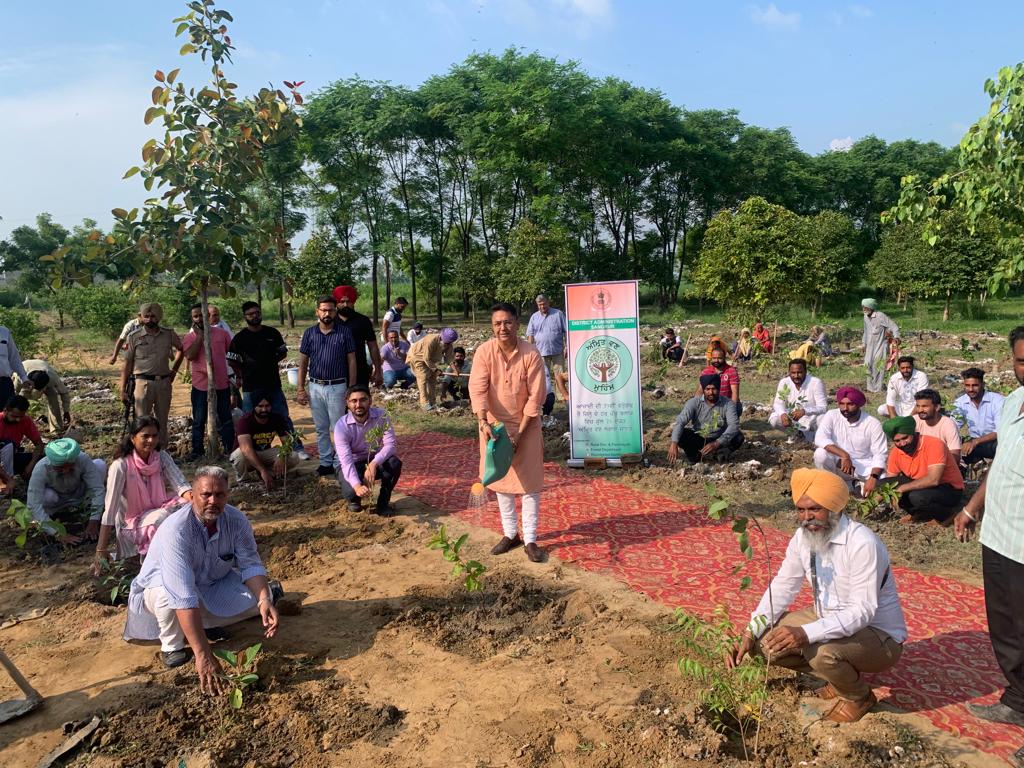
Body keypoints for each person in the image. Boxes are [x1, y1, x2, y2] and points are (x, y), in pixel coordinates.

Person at [727, 468, 907, 723]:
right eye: (801, 510)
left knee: (819, 650)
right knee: (764, 642)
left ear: (834, 508)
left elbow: (862, 611)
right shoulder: (803, 538)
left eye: (815, 509)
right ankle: (839, 678)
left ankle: (858, 696)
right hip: (827, 616)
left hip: (878, 635)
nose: (807, 517)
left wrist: (805, 633)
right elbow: (783, 586)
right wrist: (749, 631)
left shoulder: (863, 544)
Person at [123, 466, 281, 674]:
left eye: (219, 495)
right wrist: (203, 653)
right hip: (166, 590)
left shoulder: (236, 520)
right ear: (193, 495)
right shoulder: (176, 531)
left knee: (263, 595)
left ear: (227, 495)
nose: (213, 501)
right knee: (166, 598)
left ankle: (205, 624)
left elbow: (250, 564)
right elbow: (182, 596)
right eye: (206, 494)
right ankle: (172, 646)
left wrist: (264, 599)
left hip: (211, 585)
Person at [954, 326, 1024, 731]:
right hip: (998, 534)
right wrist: (971, 508)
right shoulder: (1014, 402)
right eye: (1021, 359)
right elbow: (1000, 464)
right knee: (1006, 625)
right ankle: (1017, 700)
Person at [470, 302, 547, 563]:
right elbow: (478, 390)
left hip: (527, 425)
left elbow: (536, 398)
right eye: (497, 323)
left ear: (517, 323)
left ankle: (531, 539)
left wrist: (520, 433)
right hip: (493, 428)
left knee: (530, 485)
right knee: (500, 480)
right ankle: (510, 533)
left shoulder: (531, 354)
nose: (503, 328)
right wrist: (483, 422)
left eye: (508, 322)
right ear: (492, 327)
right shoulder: (483, 352)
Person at [95, 416, 191, 570]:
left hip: (159, 508)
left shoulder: (161, 457)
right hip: (132, 524)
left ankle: (187, 554)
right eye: (145, 436)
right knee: (161, 519)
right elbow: (110, 510)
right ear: (133, 438)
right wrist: (101, 549)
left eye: (154, 436)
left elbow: (181, 484)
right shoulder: (120, 466)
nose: (151, 441)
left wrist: (196, 501)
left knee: (189, 508)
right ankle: (156, 565)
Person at [227, 301, 305, 458]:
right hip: (251, 387)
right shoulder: (239, 339)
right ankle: (254, 452)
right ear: (245, 317)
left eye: (257, 313)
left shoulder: (272, 333)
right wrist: (241, 376)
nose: (255, 316)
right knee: (250, 420)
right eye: (250, 314)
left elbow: (282, 353)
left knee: (282, 416)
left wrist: (267, 363)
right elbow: (232, 361)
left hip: (273, 384)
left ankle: (296, 448)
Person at [296, 296, 357, 476]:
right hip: (315, 386)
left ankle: (340, 462)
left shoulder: (344, 332)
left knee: (338, 427)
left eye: (330, 310)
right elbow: (303, 361)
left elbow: (351, 360)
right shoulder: (309, 333)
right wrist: (300, 388)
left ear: (335, 311)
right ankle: (325, 462)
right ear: (317, 312)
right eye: (323, 310)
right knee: (321, 427)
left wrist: (352, 388)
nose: (327, 313)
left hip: (338, 386)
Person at [173, 304, 235, 459]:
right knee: (199, 420)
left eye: (202, 315)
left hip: (221, 383)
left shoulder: (222, 334)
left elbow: (231, 354)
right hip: (200, 386)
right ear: (192, 319)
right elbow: (190, 356)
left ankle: (230, 449)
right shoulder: (189, 338)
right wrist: (200, 337)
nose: (199, 318)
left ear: (209, 316)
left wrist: (235, 378)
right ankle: (197, 451)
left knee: (226, 418)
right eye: (195, 316)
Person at [120, 303, 182, 446]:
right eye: (146, 316)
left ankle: (162, 455)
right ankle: (142, 453)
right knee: (141, 422)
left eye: (153, 316)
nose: (149, 319)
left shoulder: (168, 334)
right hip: (142, 383)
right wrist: (122, 389)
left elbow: (181, 349)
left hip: (163, 383)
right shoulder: (134, 337)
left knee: (162, 421)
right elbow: (127, 364)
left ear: (159, 317)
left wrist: (173, 371)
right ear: (141, 318)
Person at [333, 386, 402, 516]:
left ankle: (383, 504)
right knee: (351, 492)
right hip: (350, 463)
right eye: (354, 401)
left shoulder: (382, 416)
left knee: (394, 463)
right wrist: (357, 486)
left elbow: (391, 445)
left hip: (372, 458)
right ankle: (354, 500)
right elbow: (346, 461)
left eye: (362, 400)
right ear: (347, 403)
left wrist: (373, 464)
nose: (358, 404)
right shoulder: (341, 426)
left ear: (370, 400)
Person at [881, 416, 964, 524]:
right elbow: (890, 481)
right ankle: (920, 513)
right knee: (882, 484)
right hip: (922, 485)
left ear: (913, 433)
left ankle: (947, 515)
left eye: (905, 438)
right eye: (897, 441)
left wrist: (902, 489)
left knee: (917, 496)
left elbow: (934, 480)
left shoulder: (934, 444)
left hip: (948, 489)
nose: (902, 443)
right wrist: (878, 498)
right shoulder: (896, 452)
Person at [27, 438, 106, 545]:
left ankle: (88, 507)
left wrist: (94, 521)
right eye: (60, 468)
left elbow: (97, 489)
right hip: (57, 500)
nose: (65, 471)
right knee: (47, 496)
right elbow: (33, 505)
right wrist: (57, 533)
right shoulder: (41, 468)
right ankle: (53, 516)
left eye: (70, 467)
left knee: (99, 465)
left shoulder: (82, 459)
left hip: (80, 495)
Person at [814, 386, 888, 496]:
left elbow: (880, 454)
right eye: (841, 404)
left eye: (850, 404)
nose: (845, 408)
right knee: (820, 454)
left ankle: (852, 485)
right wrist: (844, 455)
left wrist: (873, 477)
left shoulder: (873, 423)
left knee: (882, 480)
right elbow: (820, 438)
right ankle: (832, 485)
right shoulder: (832, 415)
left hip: (863, 467)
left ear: (858, 405)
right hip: (839, 464)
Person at [230, 390, 300, 490]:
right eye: (260, 406)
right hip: (246, 457)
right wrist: (262, 470)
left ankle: (270, 475)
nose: (264, 409)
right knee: (239, 454)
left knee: (293, 456)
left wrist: (281, 457)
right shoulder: (245, 421)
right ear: (254, 406)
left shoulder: (277, 418)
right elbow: (246, 449)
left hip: (264, 453)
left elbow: (287, 442)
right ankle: (244, 481)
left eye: (267, 406)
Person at [668, 374, 745, 464]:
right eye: (707, 389)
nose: (711, 392)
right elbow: (681, 421)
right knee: (681, 435)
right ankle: (695, 456)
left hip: (719, 438)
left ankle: (721, 453)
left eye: (714, 389)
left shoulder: (728, 403)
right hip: (700, 437)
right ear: (703, 390)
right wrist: (674, 443)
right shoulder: (694, 402)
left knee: (738, 437)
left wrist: (717, 443)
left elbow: (734, 425)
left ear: (719, 389)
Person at [333, 284, 383, 388]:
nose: (346, 304)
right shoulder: (330, 322)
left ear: (353, 302)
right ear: (337, 303)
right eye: (342, 301)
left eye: (349, 301)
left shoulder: (363, 321)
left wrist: (378, 370)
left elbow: (373, 346)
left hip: (360, 369)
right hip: (335, 371)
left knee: (359, 402)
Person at [954, 367, 1004, 465]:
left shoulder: (997, 401)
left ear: (983, 384)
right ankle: (976, 466)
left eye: (975, 385)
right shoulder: (960, 402)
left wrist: (976, 442)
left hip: (995, 441)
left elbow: (1000, 431)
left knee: (1000, 448)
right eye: (967, 385)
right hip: (974, 441)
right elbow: (954, 425)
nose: (971, 389)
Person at [769, 359, 828, 442]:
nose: (796, 376)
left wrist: (805, 411)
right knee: (774, 419)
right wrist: (782, 414)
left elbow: (823, 407)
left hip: (811, 419)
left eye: (799, 372)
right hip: (793, 419)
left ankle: (817, 437)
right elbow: (778, 403)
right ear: (789, 372)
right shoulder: (784, 383)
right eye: (793, 373)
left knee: (823, 419)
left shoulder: (815, 383)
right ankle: (796, 434)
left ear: (805, 371)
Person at [526, 294, 568, 400]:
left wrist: (567, 346)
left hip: (557, 351)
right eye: (539, 305)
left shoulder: (558, 314)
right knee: (543, 376)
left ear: (548, 302)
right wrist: (530, 350)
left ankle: (561, 396)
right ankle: (546, 396)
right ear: (537, 305)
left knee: (560, 374)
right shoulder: (534, 317)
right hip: (540, 352)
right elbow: (530, 335)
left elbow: (566, 331)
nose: (542, 306)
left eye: (544, 304)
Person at [407, 328, 458, 411]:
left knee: (433, 379)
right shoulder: (430, 340)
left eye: (450, 343)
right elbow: (426, 358)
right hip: (417, 357)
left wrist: (455, 370)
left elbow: (449, 358)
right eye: (447, 343)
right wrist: (436, 370)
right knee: (422, 378)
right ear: (442, 338)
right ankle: (424, 403)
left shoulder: (448, 344)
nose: (448, 345)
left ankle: (432, 402)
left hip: (431, 360)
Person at [15, 360, 73, 433]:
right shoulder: (19, 376)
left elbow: (64, 392)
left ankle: (56, 428)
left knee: (53, 395)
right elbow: (15, 394)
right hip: (25, 377)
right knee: (20, 401)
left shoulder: (53, 378)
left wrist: (66, 411)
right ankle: (17, 426)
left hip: (44, 374)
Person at [0, 394, 44, 480]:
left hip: (11, 458)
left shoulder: (25, 421)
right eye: (14, 416)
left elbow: (39, 444)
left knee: (43, 460)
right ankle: (6, 483)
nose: (18, 420)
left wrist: (31, 464)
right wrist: (8, 479)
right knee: (8, 445)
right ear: (6, 410)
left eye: (21, 416)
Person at [913, 389, 962, 464]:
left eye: (924, 406)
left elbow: (955, 456)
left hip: (944, 466)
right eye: (918, 406)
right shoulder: (914, 421)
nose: (920, 410)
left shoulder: (948, 425)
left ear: (937, 407)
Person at [861, 298, 899, 393]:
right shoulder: (865, 317)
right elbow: (866, 331)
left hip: (880, 345)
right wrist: (863, 344)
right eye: (863, 307)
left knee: (878, 366)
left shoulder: (880, 316)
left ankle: (878, 388)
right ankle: (870, 387)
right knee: (867, 365)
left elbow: (894, 327)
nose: (864, 309)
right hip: (869, 346)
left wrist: (897, 337)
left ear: (871, 307)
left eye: (866, 307)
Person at [700, 347, 740, 412]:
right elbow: (700, 391)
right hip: (710, 403)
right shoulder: (706, 372)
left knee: (737, 408)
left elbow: (735, 394)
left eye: (719, 358)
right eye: (714, 358)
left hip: (727, 403)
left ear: (724, 358)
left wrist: (732, 411)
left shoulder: (732, 371)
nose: (716, 360)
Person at [0, 320, 28, 408]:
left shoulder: (4, 332)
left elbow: (14, 357)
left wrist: (24, 377)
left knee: (7, 415)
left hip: (4, 384)